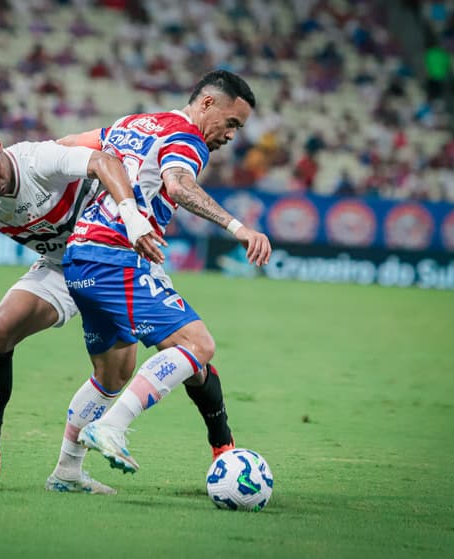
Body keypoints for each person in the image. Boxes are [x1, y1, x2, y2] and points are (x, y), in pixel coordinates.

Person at [54, 70, 272, 475]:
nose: (231, 136)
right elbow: (178, 185)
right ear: (207, 103)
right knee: (197, 344)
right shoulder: (187, 137)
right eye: (231, 123)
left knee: (113, 371)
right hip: (115, 258)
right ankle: (112, 428)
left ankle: (66, 472)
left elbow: (65, 148)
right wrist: (238, 228)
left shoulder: (133, 124)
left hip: (79, 257)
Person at [0, 117, 164, 493]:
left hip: (111, 258)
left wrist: (132, 219)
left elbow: (105, 163)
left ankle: (222, 444)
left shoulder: (38, 160)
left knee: (139, 366)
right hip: (61, 270)